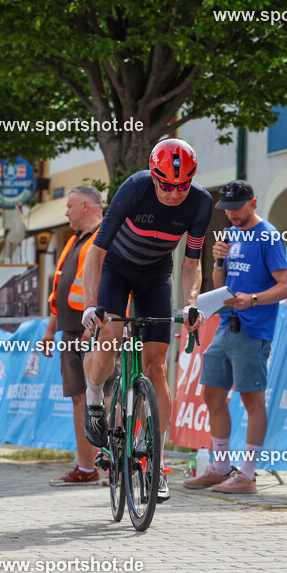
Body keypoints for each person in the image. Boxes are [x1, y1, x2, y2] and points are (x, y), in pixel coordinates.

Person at [81, 139, 209, 502]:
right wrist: (91, 306)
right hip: (117, 270)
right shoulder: (136, 187)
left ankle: (156, 460)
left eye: (181, 186)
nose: (172, 193)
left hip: (156, 275)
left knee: (157, 369)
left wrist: (190, 304)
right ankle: (95, 397)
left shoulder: (200, 203)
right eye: (165, 184)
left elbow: (190, 263)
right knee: (107, 342)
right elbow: (98, 251)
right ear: (153, 176)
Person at [183, 180, 287, 494]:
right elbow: (222, 283)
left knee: (252, 400)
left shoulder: (268, 237)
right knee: (212, 396)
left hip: (253, 328)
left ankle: (247, 474)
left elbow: (286, 287)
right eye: (227, 208)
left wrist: (253, 299)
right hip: (224, 326)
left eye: (236, 207)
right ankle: (220, 468)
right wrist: (219, 261)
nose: (231, 213)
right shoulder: (233, 234)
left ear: (253, 202)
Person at [42, 186, 115, 486]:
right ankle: (86, 468)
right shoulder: (74, 241)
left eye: (70, 206)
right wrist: (50, 329)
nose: (66, 212)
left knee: (107, 393)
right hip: (71, 327)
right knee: (79, 396)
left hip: (98, 325)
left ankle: (114, 460)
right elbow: (60, 290)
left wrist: (95, 327)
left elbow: (110, 284)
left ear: (86, 205)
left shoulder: (106, 236)